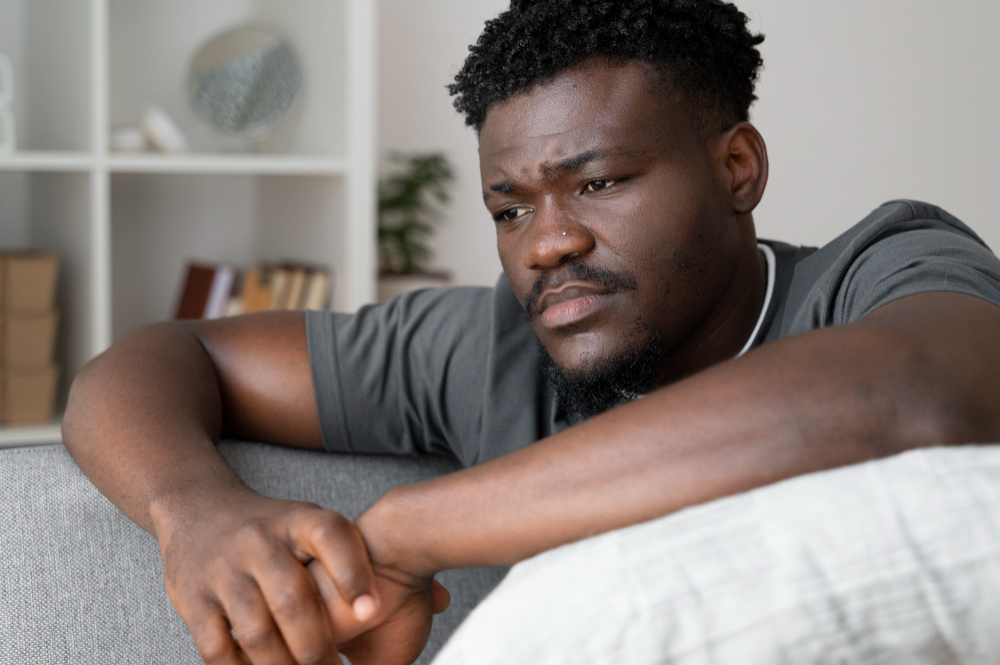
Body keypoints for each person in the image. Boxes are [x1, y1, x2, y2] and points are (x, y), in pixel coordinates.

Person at [63, 1, 1000, 664]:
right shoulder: (492, 346)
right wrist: (194, 512)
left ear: (737, 167)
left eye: (598, 183)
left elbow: (915, 395)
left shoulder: (878, 267)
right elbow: (156, 358)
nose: (549, 244)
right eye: (509, 209)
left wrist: (407, 534)